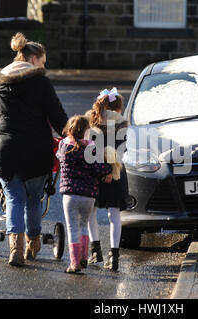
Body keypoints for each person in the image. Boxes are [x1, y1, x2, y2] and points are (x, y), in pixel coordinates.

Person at [0, 32, 68, 266]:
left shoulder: (0, 82)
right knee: (34, 198)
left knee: (13, 198)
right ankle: (33, 244)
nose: (44, 67)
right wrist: (73, 136)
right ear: (33, 59)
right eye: (43, 62)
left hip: (7, 150)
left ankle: (15, 249)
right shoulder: (41, 83)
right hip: (37, 150)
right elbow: (57, 117)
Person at [56, 115, 113, 273]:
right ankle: (84, 259)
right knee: (83, 226)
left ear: (70, 129)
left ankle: (74, 263)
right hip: (89, 195)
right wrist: (108, 169)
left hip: (70, 195)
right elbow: (99, 168)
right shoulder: (91, 149)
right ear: (86, 131)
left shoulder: (63, 146)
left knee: (72, 227)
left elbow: (58, 157)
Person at [86, 88, 129, 271]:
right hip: (116, 171)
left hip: (94, 171)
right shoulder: (121, 123)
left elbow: (88, 148)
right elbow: (122, 149)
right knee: (114, 214)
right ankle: (114, 255)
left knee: (91, 211)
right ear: (117, 109)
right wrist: (110, 169)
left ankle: (95, 250)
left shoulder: (91, 122)